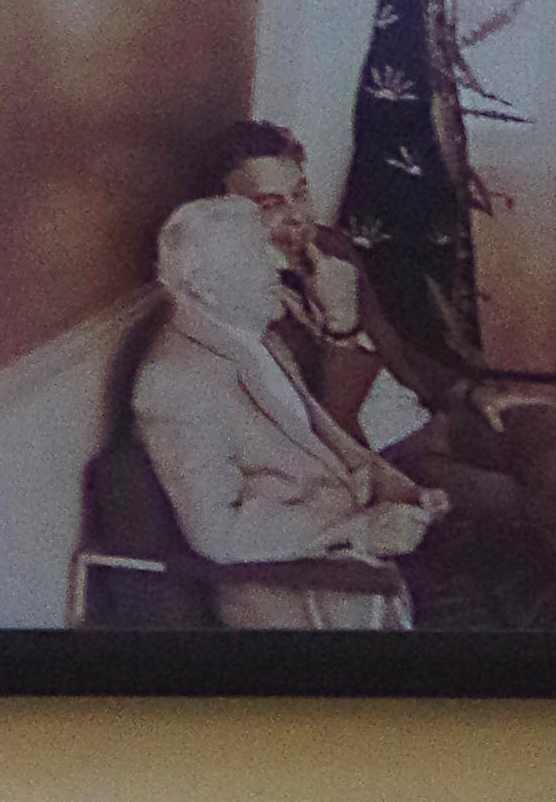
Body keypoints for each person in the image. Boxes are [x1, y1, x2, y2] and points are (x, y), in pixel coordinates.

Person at [207, 125, 556, 633]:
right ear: (222, 211)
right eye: (269, 204)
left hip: (426, 418)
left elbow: (399, 350)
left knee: (554, 425)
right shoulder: (237, 297)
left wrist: (467, 390)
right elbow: (321, 433)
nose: (297, 218)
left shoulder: (329, 248)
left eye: (300, 193)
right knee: (522, 498)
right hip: (378, 458)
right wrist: (341, 325)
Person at [129, 195, 436, 632]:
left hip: (355, 553)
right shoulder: (175, 381)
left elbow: (322, 434)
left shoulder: (256, 339)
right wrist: (356, 529)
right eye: (256, 252)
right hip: (310, 592)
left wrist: (402, 490)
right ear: (202, 282)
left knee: (522, 552)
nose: (276, 263)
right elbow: (217, 533)